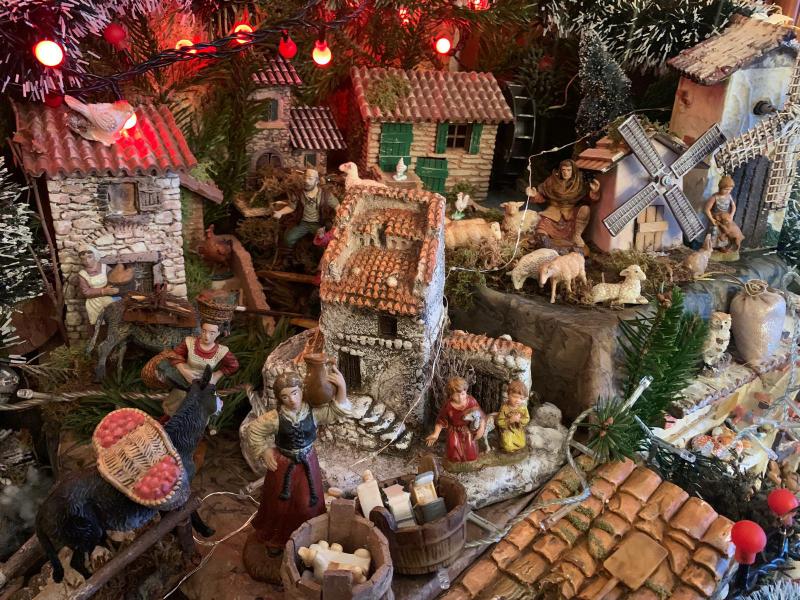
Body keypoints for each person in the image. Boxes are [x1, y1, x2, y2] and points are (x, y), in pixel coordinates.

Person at [246, 368, 351, 556]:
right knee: (279, 503)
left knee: (307, 503)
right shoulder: (275, 418)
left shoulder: (313, 412)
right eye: (285, 396)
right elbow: (254, 430)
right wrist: (264, 450)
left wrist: (342, 388)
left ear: (302, 391)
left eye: (295, 393)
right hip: (283, 465)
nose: (292, 400)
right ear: (280, 398)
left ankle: (309, 537)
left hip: (307, 464)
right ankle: (276, 539)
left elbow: (335, 412)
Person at [157, 321, 239, 416]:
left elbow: (233, 365)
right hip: (184, 379)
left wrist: (217, 375)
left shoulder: (221, 351)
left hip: (203, 383)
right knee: (177, 398)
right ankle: (168, 417)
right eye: (204, 331)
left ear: (218, 333)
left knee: (200, 404)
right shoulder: (190, 342)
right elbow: (175, 355)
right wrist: (183, 370)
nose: (207, 336)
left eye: (212, 333)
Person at [525, 159, 600, 248]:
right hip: (552, 213)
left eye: (568, 170)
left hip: (570, 214)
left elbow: (586, 199)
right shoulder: (551, 181)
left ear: (573, 171)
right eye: (563, 170)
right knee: (541, 230)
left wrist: (594, 192)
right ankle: (544, 243)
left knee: (585, 209)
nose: (565, 173)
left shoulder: (578, 184)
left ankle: (576, 236)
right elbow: (543, 197)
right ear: (560, 170)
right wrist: (534, 195)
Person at [425, 377, 485, 463]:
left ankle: (469, 462)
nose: (460, 397)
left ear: (466, 391)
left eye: (463, 394)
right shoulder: (448, 406)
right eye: (456, 395)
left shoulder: (471, 402)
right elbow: (441, 421)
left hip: (468, 430)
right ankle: (454, 464)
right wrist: (436, 434)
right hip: (454, 431)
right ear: (451, 395)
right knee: (453, 451)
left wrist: (481, 427)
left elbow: (480, 415)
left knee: (470, 453)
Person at [283, 168, 339, 248]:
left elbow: (337, 206)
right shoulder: (299, 193)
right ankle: (292, 250)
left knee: (325, 241)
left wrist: (338, 219)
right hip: (303, 223)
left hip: (318, 223)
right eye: (305, 178)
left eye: (310, 178)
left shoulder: (325, 194)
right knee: (288, 239)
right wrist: (280, 212)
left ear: (317, 181)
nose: (306, 181)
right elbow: (291, 207)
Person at [76, 244, 119, 332]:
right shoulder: (82, 274)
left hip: (108, 296)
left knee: (117, 310)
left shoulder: (104, 267)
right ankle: (101, 334)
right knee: (98, 323)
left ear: (95, 256)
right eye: (83, 259)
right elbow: (86, 292)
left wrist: (112, 288)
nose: (87, 261)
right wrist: (103, 291)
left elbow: (114, 279)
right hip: (94, 300)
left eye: (90, 257)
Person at [704, 175, 743, 252]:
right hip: (716, 218)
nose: (728, 191)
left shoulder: (729, 196)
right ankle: (711, 246)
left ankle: (723, 245)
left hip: (725, 218)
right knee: (715, 231)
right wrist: (712, 219)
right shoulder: (714, 197)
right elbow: (706, 209)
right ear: (720, 188)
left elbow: (733, 206)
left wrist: (731, 215)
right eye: (726, 189)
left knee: (727, 231)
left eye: (730, 190)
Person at [496, 381, 531, 453]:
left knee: (521, 444)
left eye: (521, 398)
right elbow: (499, 421)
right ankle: (505, 446)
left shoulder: (523, 408)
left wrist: (519, 420)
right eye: (515, 397)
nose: (518, 400)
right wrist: (510, 420)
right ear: (508, 395)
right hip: (507, 430)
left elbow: (527, 419)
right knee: (508, 446)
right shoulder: (504, 407)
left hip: (517, 429)